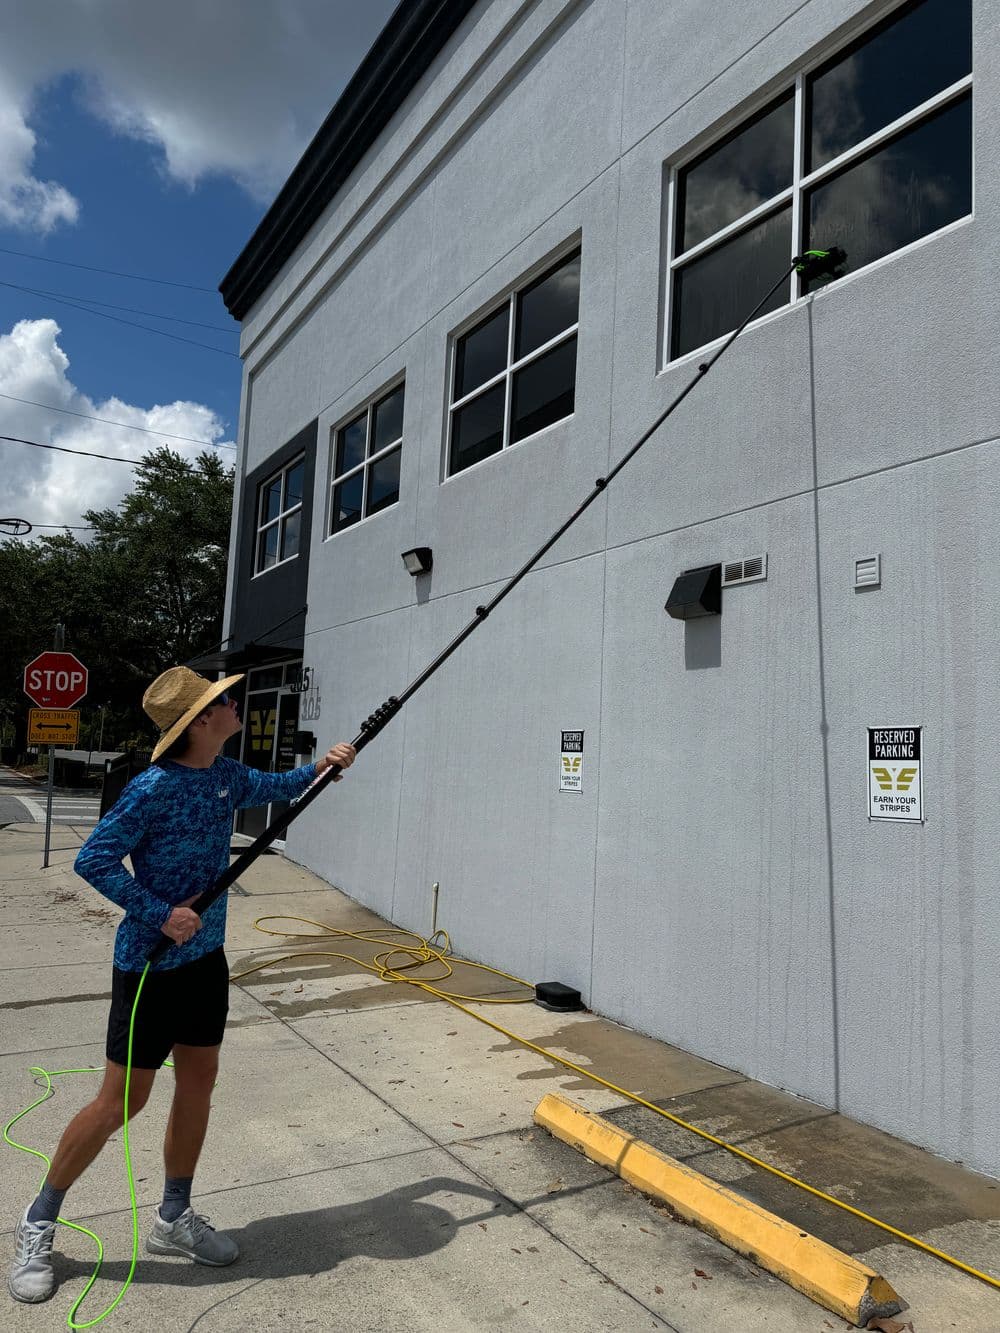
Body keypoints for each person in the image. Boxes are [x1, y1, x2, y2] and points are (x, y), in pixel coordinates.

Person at [8, 666, 356, 1304]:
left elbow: (283, 783)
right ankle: (38, 1221)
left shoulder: (225, 775)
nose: (235, 707)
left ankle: (173, 1217)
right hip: (149, 969)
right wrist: (161, 913)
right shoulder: (152, 789)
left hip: (207, 962)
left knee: (198, 1084)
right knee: (122, 1102)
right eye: (225, 702)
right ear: (200, 720)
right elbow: (93, 859)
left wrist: (328, 763)